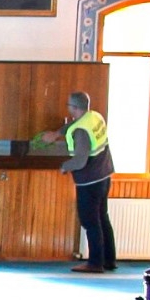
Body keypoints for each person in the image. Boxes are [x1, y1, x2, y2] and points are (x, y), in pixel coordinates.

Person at [40, 91, 116, 273]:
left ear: (74, 108)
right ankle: (109, 260)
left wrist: (65, 167)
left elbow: (80, 161)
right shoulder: (94, 116)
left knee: (90, 221)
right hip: (105, 174)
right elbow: (75, 123)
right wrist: (57, 133)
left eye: (69, 106)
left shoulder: (81, 131)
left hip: (90, 181)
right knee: (102, 217)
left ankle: (95, 263)